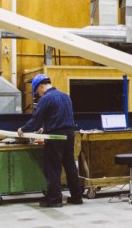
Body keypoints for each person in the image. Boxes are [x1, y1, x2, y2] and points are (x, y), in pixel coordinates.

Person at [18, 74, 84, 207]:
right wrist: (46, 127)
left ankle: (54, 200)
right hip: (69, 134)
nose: (38, 94)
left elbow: (36, 120)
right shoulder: (65, 96)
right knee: (70, 165)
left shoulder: (46, 98)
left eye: (37, 91)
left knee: (53, 167)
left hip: (55, 137)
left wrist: (23, 130)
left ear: (41, 86)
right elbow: (58, 117)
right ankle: (77, 197)